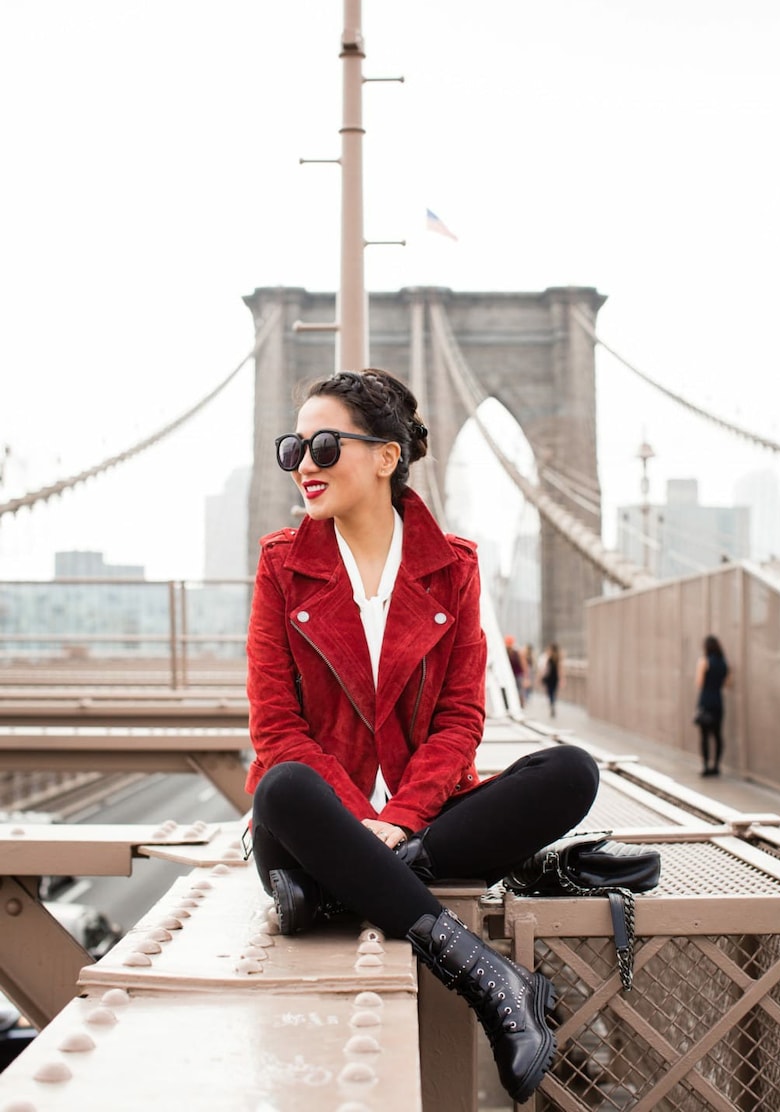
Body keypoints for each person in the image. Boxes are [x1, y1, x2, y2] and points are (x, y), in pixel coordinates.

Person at [245, 368, 600, 1105]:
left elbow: (459, 721)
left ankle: (338, 892)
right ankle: (487, 976)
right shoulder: (283, 566)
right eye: (293, 448)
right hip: (312, 822)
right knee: (283, 788)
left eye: (322, 444)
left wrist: (399, 820)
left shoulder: (454, 568)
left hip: (421, 818)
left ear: (384, 456)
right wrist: (357, 820)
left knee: (571, 772)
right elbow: (277, 727)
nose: (303, 464)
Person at [695, 634, 731, 776]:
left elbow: (699, 682)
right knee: (717, 735)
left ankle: (705, 766)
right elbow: (728, 683)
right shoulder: (724, 663)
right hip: (718, 700)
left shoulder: (704, 661)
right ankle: (716, 766)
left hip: (706, 700)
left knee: (704, 736)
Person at [540, 643, 563, 717]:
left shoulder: (550, 658)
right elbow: (560, 669)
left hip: (550, 678)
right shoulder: (557, 658)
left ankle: (551, 703)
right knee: (553, 692)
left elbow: (546, 669)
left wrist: (541, 676)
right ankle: (553, 703)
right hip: (554, 678)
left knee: (550, 692)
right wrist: (561, 679)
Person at [505, 634, 527, 707]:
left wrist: (525, 677)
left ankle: (520, 704)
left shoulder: (517, 652)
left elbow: (523, 664)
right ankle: (511, 704)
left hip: (518, 674)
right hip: (509, 675)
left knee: (519, 690)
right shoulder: (504, 653)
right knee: (510, 690)